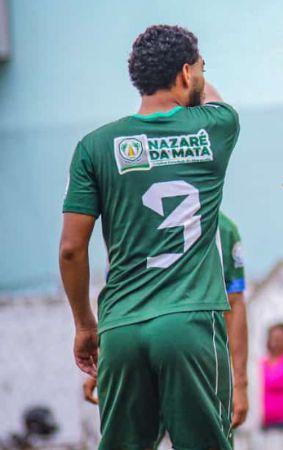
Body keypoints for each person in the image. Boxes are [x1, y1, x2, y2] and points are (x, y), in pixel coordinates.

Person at [59, 25, 239, 449]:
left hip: (120, 327)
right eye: (198, 69)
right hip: (190, 322)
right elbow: (211, 96)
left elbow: (71, 249)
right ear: (185, 73)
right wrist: (195, 74)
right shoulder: (217, 127)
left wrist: (86, 325)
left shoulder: (94, 146)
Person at [80, 212, 250, 430]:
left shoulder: (128, 221)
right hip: (193, 349)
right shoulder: (220, 225)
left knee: (130, 442)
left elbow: (117, 299)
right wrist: (240, 384)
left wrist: (107, 357)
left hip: (139, 346)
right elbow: (234, 303)